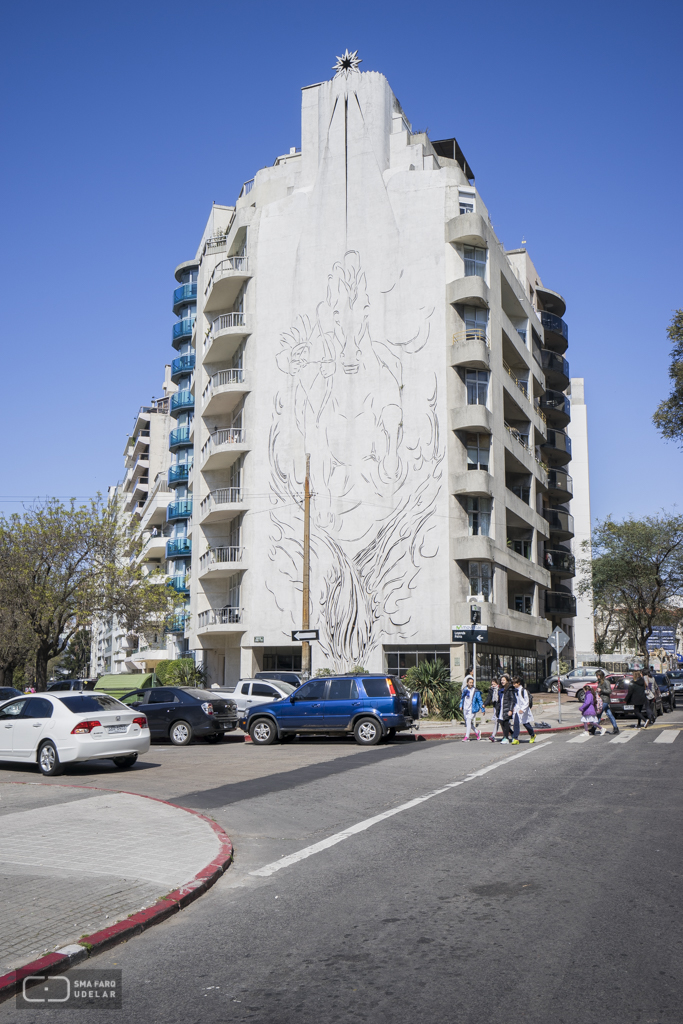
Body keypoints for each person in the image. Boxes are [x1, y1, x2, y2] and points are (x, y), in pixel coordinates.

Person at [511, 676, 536, 744]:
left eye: (515, 683)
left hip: (523, 710)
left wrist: (523, 709)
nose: (514, 685)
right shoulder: (514, 690)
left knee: (526, 724)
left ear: (518, 683)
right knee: (516, 723)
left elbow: (526, 701)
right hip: (516, 709)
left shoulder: (523, 690)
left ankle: (532, 735)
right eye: (513, 683)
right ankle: (515, 738)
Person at [460, 675, 484, 741]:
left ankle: (467, 736)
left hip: (472, 709)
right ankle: (477, 732)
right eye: (470, 682)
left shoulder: (475, 691)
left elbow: (480, 700)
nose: (471, 684)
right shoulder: (465, 690)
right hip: (465, 708)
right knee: (468, 723)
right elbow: (462, 698)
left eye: (472, 682)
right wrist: (461, 706)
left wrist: (483, 709)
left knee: (468, 720)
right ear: (467, 683)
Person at [595, 670, 619, 735]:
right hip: (601, 700)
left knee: (599, 714)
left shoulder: (606, 682)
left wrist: (601, 690)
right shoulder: (600, 682)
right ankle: (615, 728)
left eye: (598, 675)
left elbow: (609, 691)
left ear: (601, 675)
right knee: (609, 714)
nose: (597, 677)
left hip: (605, 700)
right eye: (596, 675)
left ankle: (594, 727)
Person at [496, 674, 516, 744]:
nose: (502, 681)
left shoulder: (510, 688)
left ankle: (506, 737)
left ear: (507, 681)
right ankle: (512, 733)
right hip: (501, 708)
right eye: (501, 680)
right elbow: (499, 700)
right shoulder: (501, 689)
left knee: (506, 722)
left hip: (507, 708)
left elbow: (512, 700)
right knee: (501, 722)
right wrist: (497, 709)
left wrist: (510, 709)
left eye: (504, 680)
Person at [486, 677, 501, 742]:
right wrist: (484, 704)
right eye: (492, 684)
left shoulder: (500, 690)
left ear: (497, 684)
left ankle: (511, 733)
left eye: (494, 684)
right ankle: (493, 735)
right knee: (496, 721)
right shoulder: (491, 690)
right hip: (495, 706)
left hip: (501, 706)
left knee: (504, 722)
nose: (493, 686)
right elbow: (489, 698)